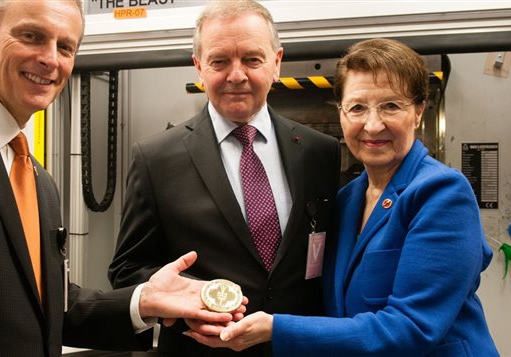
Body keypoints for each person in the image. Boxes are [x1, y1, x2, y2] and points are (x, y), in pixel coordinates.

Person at [0, 1, 244, 356]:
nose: (50, 59)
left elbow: (49, 307)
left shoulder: (39, 180)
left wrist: (145, 300)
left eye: (65, 47)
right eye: (31, 36)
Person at [186, 38, 499, 356]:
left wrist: (275, 328)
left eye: (391, 106)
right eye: (358, 107)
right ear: (341, 113)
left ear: (419, 112)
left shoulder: (442, 194)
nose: (373, 125)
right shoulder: (347, 200)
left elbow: (411, 328)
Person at [108, 0, 340, 355]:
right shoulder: (155, 159)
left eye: (252, 59)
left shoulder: (319, 152)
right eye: (219, 61)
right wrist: (188, 304)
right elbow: (127, 270)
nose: (236, 75)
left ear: (276, 63)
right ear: (199, 68)